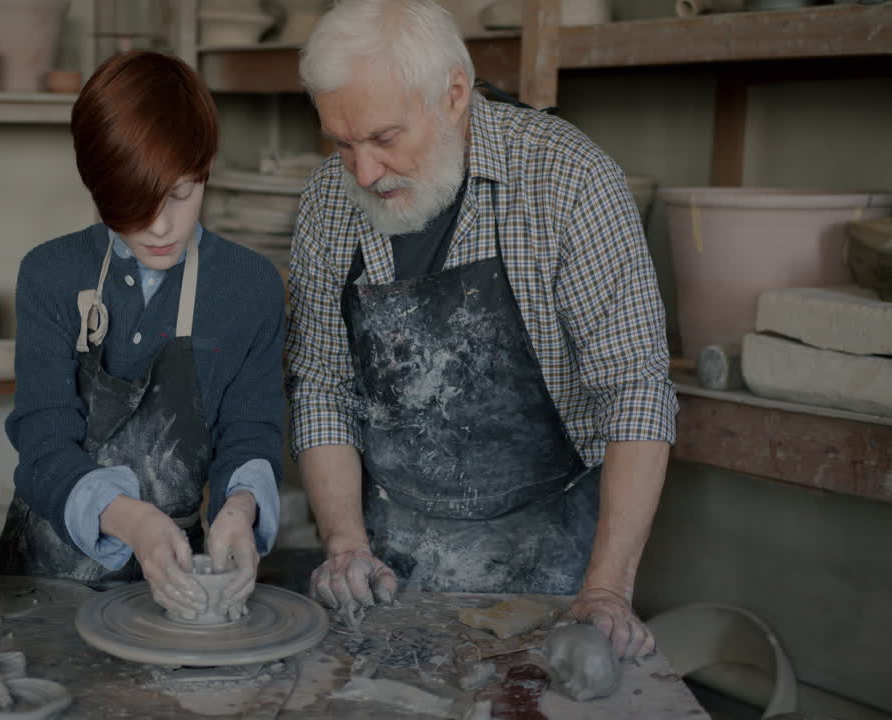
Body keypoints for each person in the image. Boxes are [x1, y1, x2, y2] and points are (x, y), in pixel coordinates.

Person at [285, 0, 678, 659]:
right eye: (343, 144)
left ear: (455, 94)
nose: (364, 172)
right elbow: (322, 387)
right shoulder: (330, 200)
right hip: (388, 564)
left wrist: (607, 589)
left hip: (552, 565)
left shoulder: (567, 181)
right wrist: (346, 544)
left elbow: (635, 390)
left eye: (384, 138)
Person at [0, 50, 286, 622]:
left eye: (181, 193)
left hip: (178, 576)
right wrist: (134, 522)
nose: (159, 225)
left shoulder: (250, 287)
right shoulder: (51, 274)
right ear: (96, 183)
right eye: (132, 201)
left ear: (207, 167)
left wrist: (240, 508)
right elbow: (43, 445)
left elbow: (251, 434)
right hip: (44, 577)